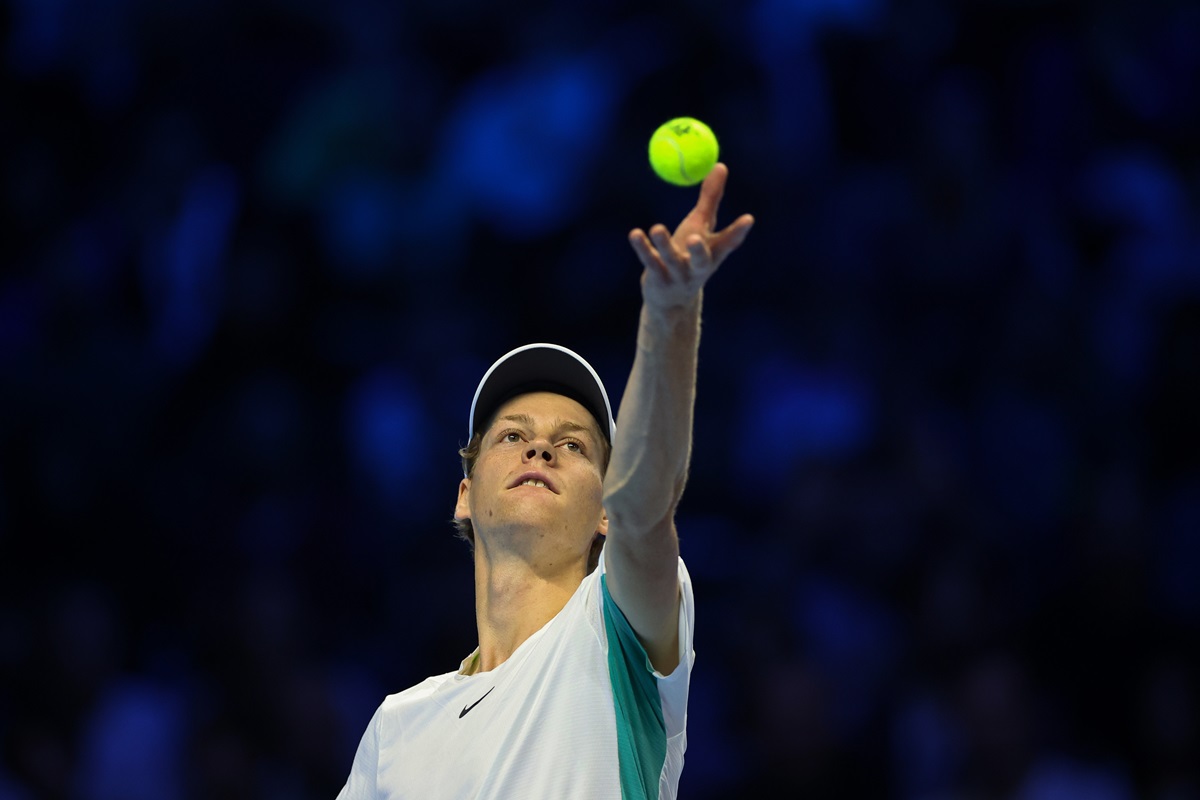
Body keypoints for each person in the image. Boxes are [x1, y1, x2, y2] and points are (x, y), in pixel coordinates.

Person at [336, 163, 754, 799]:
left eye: (573, 444)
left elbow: (645, 507)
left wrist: (669, 315)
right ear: (465, 495)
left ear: (604, 512)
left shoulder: (613, 630)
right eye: (511, 436)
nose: (539, 447)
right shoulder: (395, 727)